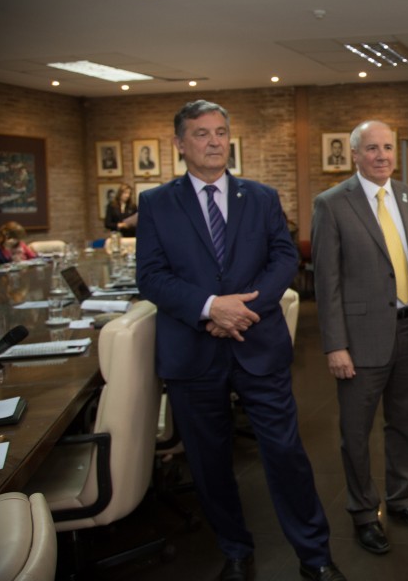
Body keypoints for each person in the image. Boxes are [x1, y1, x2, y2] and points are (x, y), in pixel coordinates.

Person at [136, 100, 345, 581]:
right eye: (202, 133)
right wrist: (211, 308)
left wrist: (239, 312)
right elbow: (151, 276)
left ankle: (315, 556)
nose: (214, 142)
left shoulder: (262, 197)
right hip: (192, 352)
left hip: (258, 346)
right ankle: (234, 548)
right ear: (179, 144)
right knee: (209, 463)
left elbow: (282, 258)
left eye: (220, 132)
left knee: (286, 454)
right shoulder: (156, 203)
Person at [312, 120, 408, 556]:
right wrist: (335, 345)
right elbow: (326, 283)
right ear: (355, 154)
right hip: (360, 339)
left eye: (387, 147)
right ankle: (361, 511)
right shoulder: (332, 204)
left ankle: (401, 498)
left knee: (406, 425)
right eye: (371, 148)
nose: (381, 155)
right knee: (355, 432)